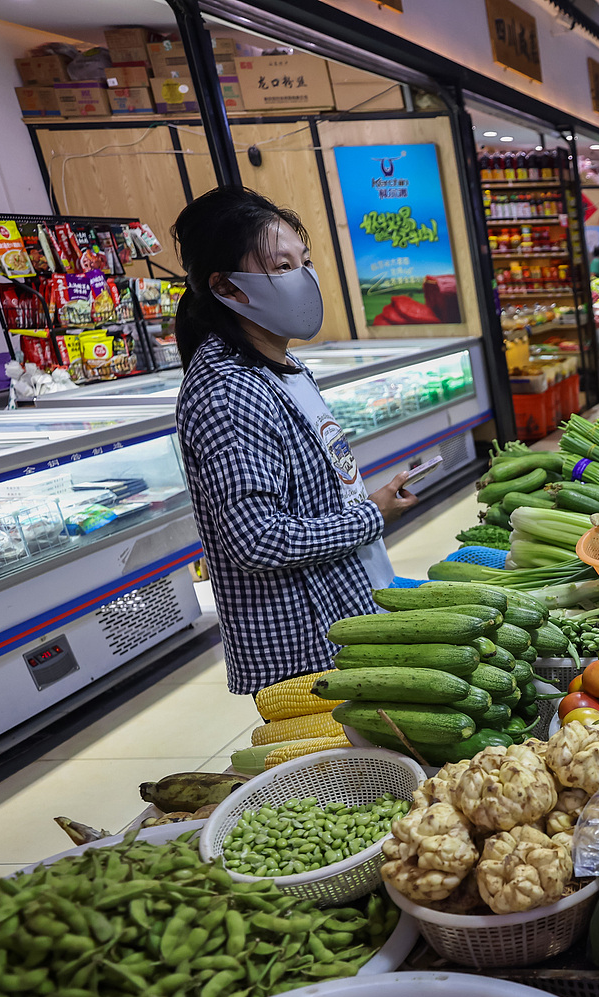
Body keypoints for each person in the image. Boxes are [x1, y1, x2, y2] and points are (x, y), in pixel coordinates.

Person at [172, 186, 418, 696]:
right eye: (281, 267)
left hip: (344, 615)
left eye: (303, 262)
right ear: (227, 287)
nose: (304, 279)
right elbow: (256, 539)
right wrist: (370, 516)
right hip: (305, 649)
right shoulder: (228, 391)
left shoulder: (280, 362)